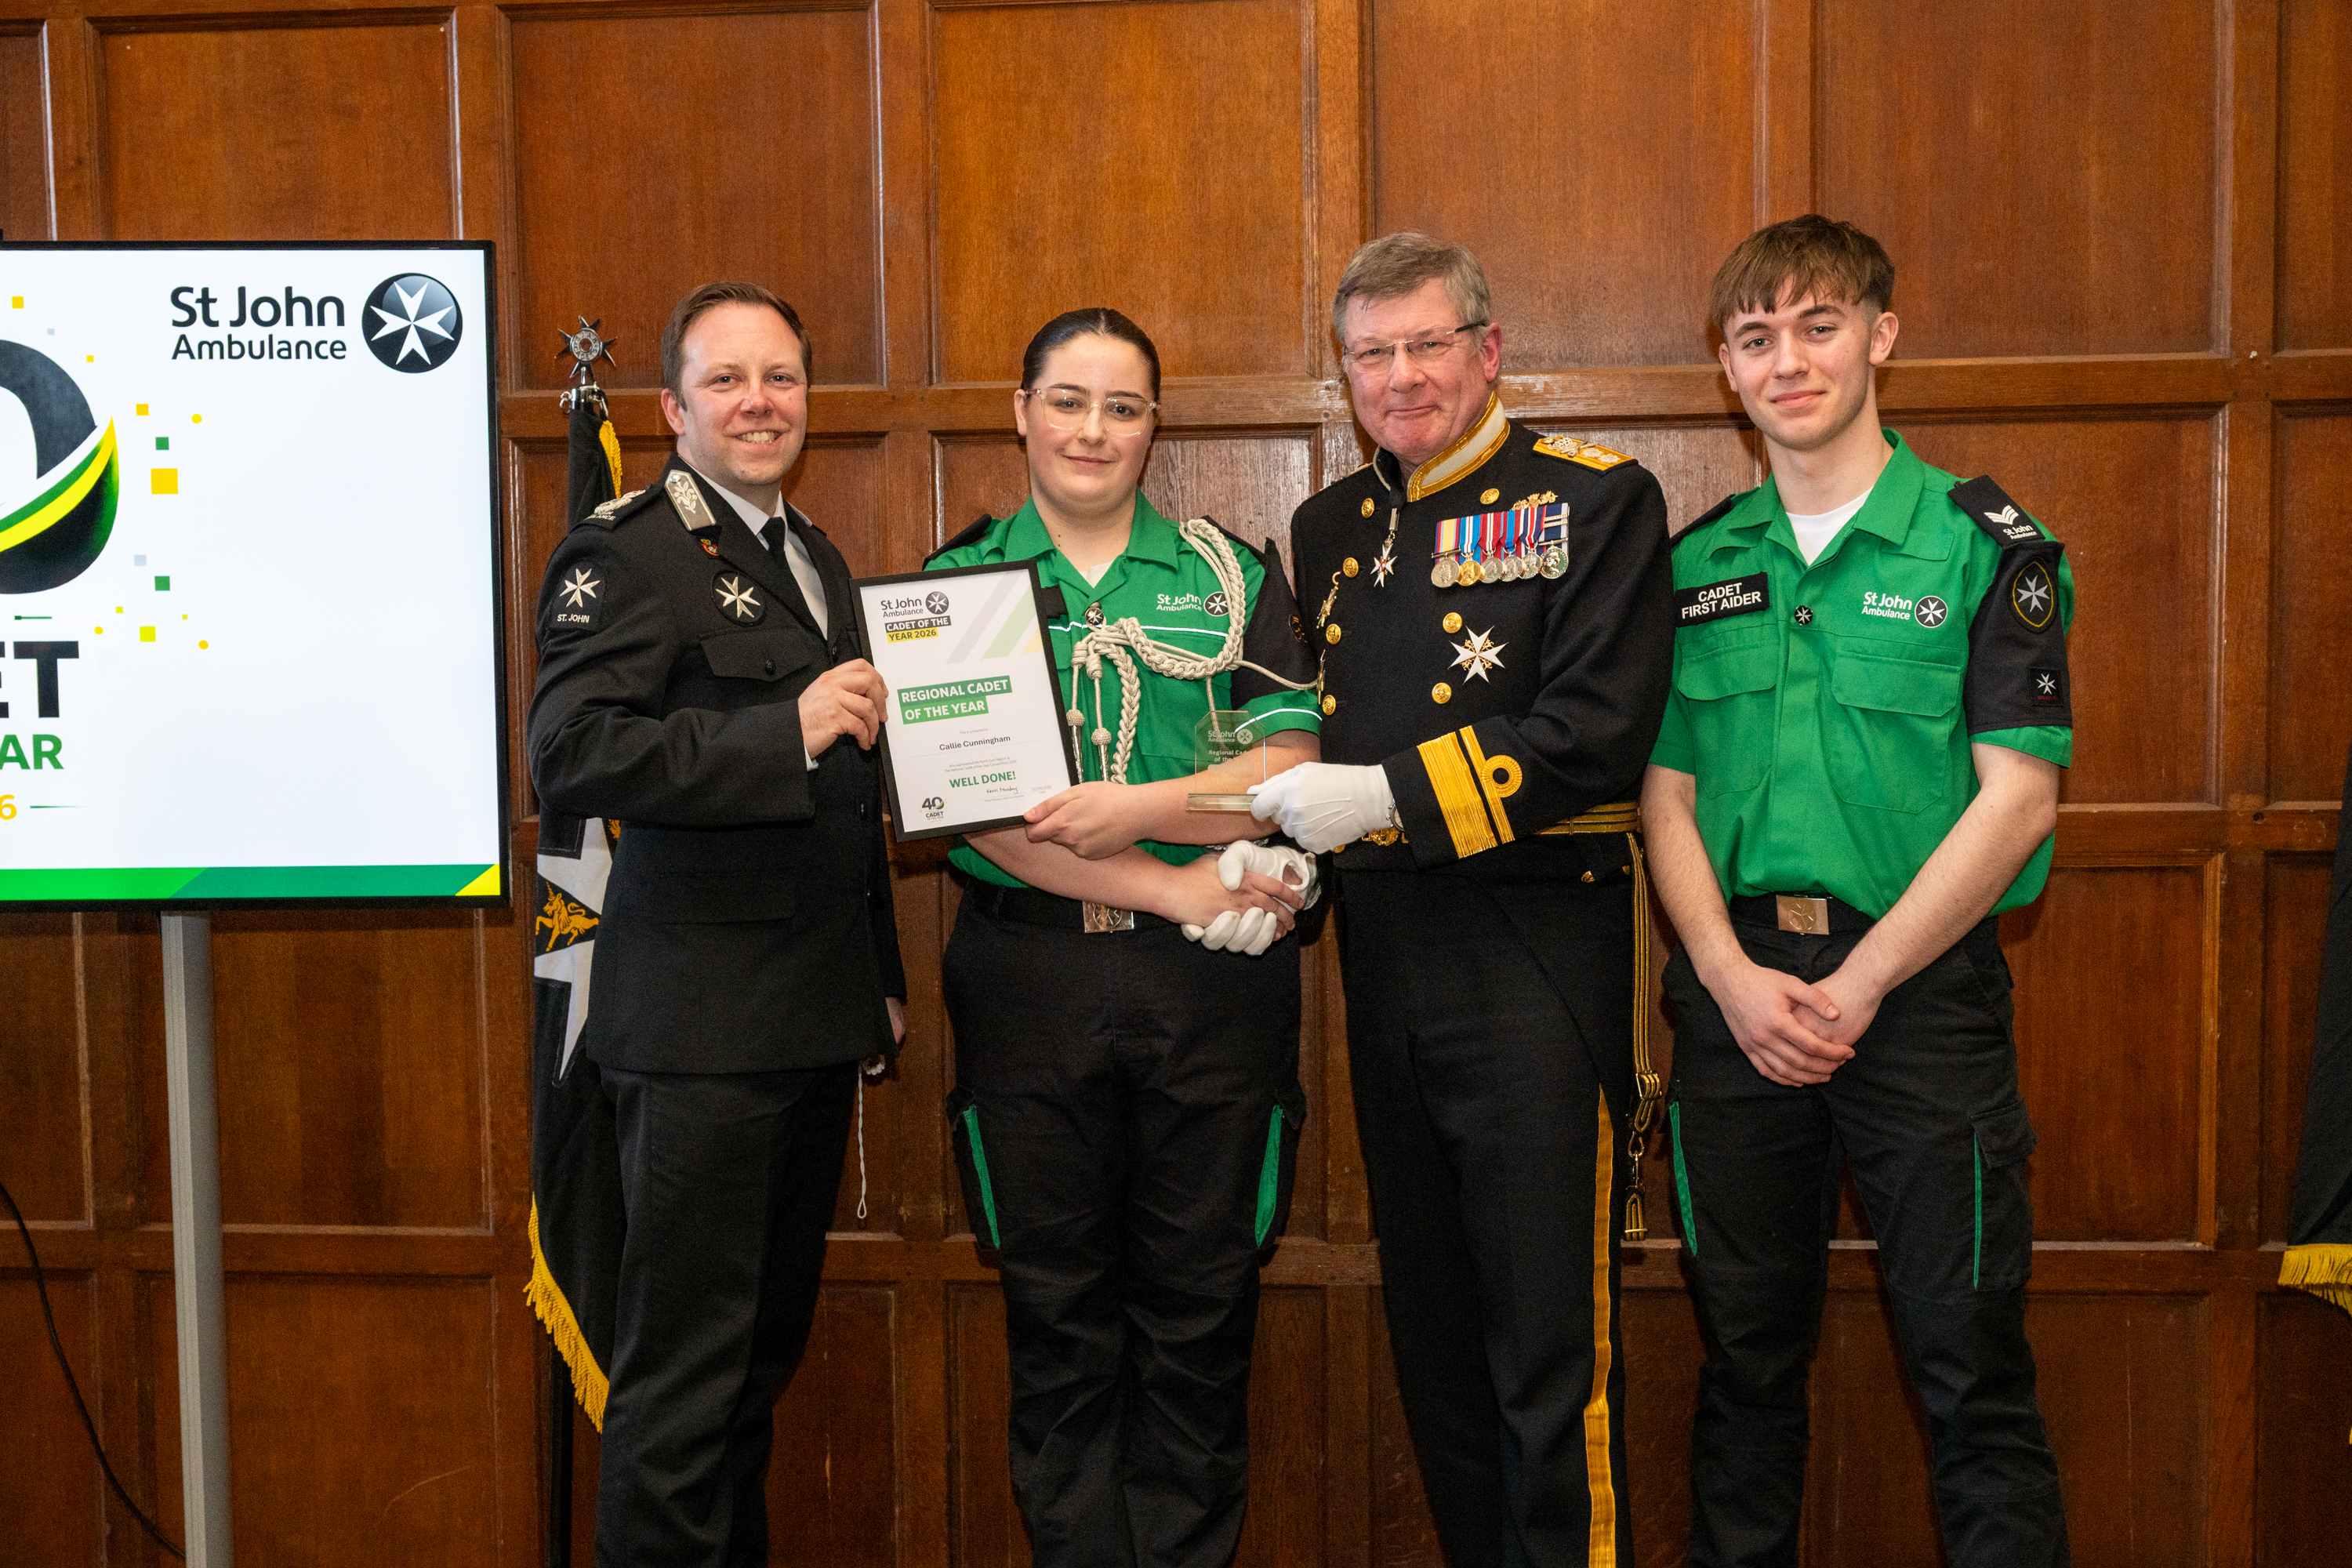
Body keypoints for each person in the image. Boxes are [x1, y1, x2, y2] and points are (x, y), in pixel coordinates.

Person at [1641, 214, 2075, 1567]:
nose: (1789, 361)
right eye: (1756, 337)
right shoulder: (1698, 562)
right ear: (1727, 366)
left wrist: (1862, 982)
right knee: (1746, 1374)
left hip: (1920, 1004)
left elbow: (2019, 800)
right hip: (1737, 1004)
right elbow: (1668, 799)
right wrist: (1726, 978)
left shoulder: (1986, 546)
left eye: (1818, 325)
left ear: (1882, 335)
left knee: (1971, 1378)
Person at [1251, 233, 1674, 1566]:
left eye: (1428, 344)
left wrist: (1382, 798)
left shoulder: (1595, 501)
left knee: (1550, 1352)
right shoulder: (1328, 531)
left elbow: (1596, 731)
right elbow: (1277, 748)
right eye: (1372, 354)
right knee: (1433, 1342)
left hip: (1535, 958)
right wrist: (1264, 865)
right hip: (1384, 968)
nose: (1401, 376)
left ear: (1488, 351)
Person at [929, 307, 1323, 1567]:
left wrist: (1145, 815)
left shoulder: (1231, 575)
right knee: (1055, 1321)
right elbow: (969, 810)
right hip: (1031, 978)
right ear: (1022, 410)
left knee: (1202, 1318)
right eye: (1068, 400)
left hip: (1211, 994)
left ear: (1156, 424)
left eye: (1124, 406)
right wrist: (1173, 884)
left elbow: (1291, 758)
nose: (1093, 430)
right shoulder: (959, 586)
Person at [528, 280, 909, 1568]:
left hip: (805, 1021)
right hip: (695, 1039)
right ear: (673, 406)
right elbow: (569, 754)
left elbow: (852, 797)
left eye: (783, 378)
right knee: (683, 1394)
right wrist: (774, 732)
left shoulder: (813, 554)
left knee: (751, 1372)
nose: (761, 403)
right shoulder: (623, 550)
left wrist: (883, 976)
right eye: (730, 381)